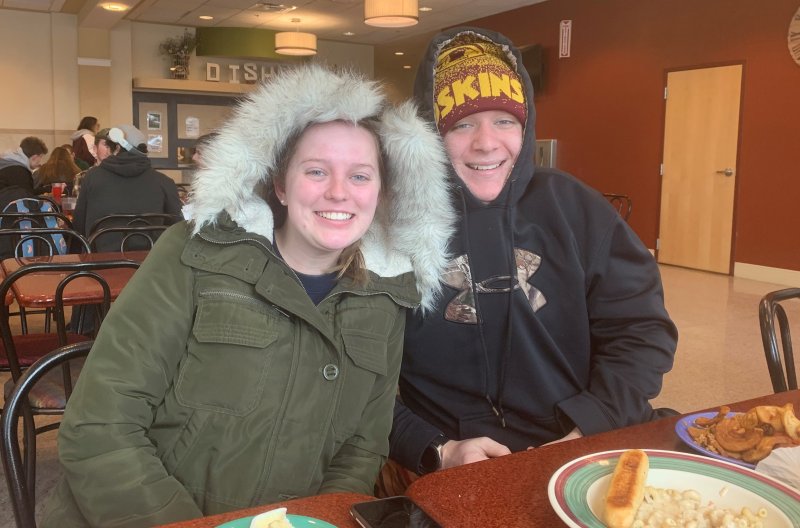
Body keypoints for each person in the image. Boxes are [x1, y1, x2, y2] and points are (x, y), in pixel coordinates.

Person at [42, 63, 454, 527]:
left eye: (360, 176)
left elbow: (362, 448)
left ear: (382, 194)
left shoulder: (386, 295)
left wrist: (315, 520)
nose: (339, 192)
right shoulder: (191, 254)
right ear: (279, 184)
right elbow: (99, 426)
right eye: (316, 171)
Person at [388, 27, 678, 478]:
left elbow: (640, 332)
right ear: (430, 133)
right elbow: (355, 380)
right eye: (462, 124)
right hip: (448, 460)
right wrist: (436, 448)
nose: (486, 143)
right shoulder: (391, 224)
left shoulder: (576, 208)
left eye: (504, 121)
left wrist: (589, 426)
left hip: (582, 441)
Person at [70, 123, 182, 251]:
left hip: (102, 264)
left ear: (117, 148)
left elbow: (79, 225)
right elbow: (178, 227)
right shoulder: (165, 182)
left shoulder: (92, 177)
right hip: (150, 264)